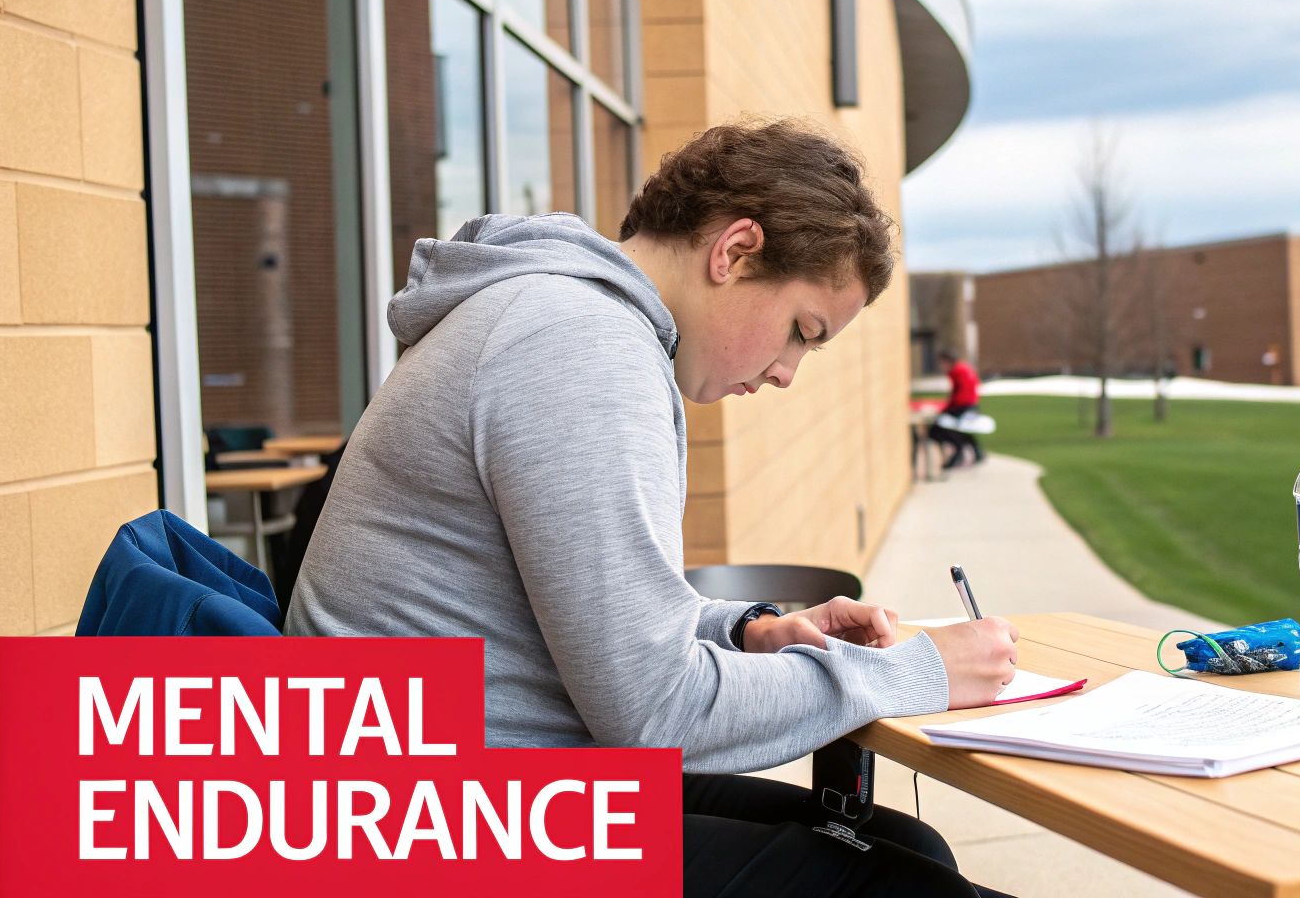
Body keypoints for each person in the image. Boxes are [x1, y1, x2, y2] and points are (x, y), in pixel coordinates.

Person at [287, 119, 1020, 896]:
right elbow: (656, 712)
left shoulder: (564, 318)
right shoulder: (579, 346)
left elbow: (600, 625)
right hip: (424, 824)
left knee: (904, 846)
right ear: (734, 252)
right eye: (800, 332)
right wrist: (915, 676)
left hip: (464, 782)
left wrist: (748, 631)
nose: (786, 374)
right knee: (907, 887)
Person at [928, 348, 985, 469]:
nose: (941, 366)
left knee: (937, 430)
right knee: (960, 429)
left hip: (963, 405)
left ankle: (958, 451)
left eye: (942, 362)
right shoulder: (963, 369)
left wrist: (946, 409)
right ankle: (976, 451)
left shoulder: (958, 371)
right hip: (970, 404)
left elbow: (959, 394)